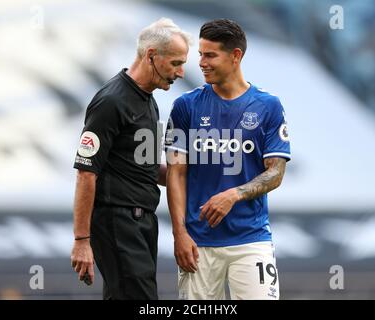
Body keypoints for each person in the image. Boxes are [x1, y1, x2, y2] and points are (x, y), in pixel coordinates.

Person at [165, 19, 290, 300]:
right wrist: (179, 234)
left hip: (251, 239)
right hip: (198, 243)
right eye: (200, 54)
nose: (201, 63)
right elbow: (176, 173)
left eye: (210, 55)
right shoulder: (185, 106)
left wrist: (233, 195)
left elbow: (276, 172)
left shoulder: (268, 106)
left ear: (235, 56)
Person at [70, 18, 190, 300]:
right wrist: (81, 241)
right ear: (151, 56)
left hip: (142, 222)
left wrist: (198, 177)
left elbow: (148, 169)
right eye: (175, 63)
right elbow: (86, 173)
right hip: (118, 220)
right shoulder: (111, 101)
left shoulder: (148, 100)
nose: (181, 72)